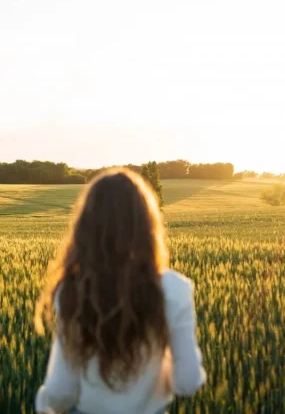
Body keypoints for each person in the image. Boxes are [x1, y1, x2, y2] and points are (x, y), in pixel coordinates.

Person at [35, 168, 206, 414]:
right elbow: (187, 383)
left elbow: (61, 392)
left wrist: (44, 406)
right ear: (147, 225)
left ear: (87, 227)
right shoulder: (174, 289)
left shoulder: (73, 289)